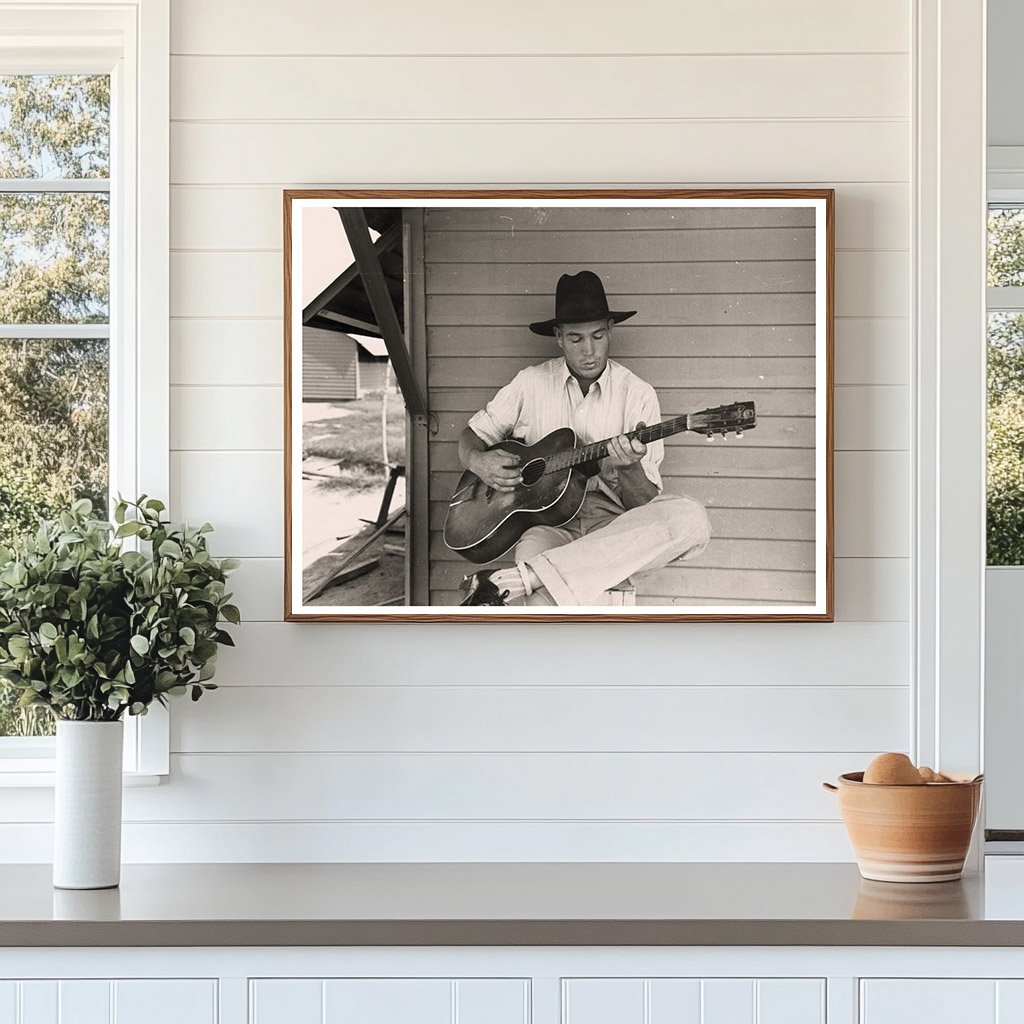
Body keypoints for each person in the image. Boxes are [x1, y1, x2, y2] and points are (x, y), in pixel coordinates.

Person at [458, 270, 711, 607]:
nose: (589, 351)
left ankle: (521, 579)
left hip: (614, 527)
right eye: (576, 339)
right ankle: (542, 578)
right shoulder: (529, 383)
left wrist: (630, 468)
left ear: (611, 332)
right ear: (559, 337)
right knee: (546, 607)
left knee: (691, 519)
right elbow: (470, 437)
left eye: (598, 336)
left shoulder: (638, 394)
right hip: (546, 527)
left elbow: (644, 508)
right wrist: (479, 461)